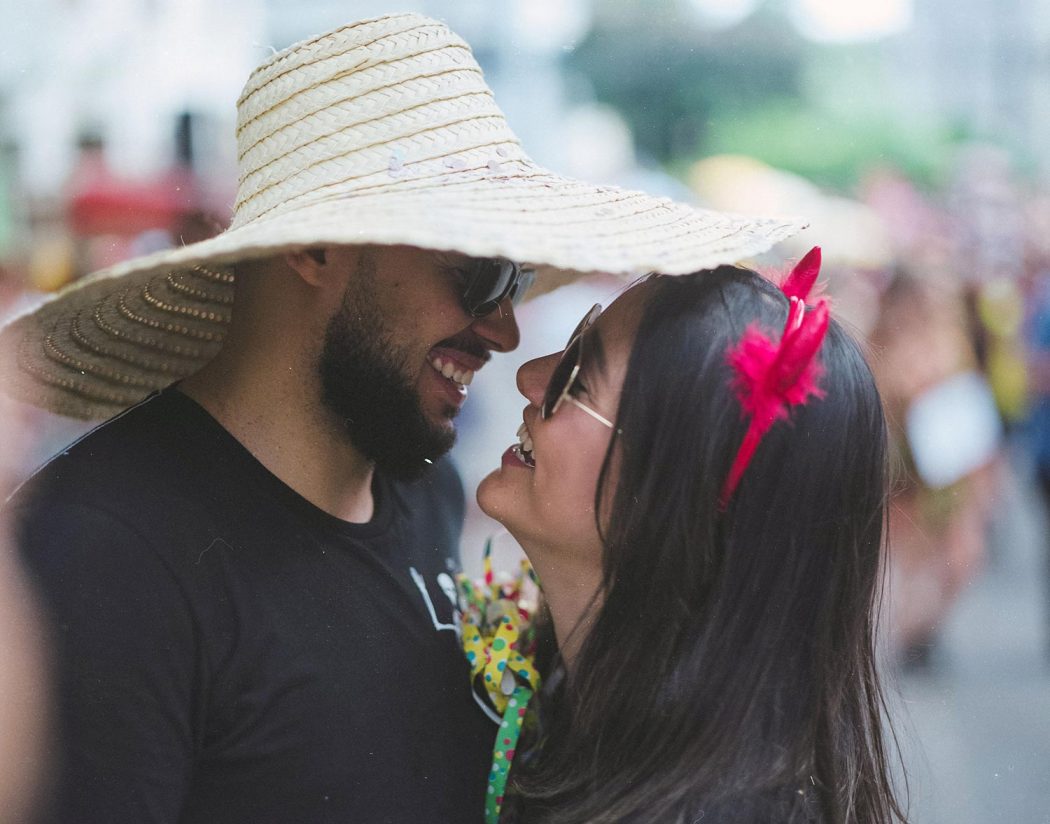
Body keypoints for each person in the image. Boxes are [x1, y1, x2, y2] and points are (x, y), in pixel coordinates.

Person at [0, 13, 802, 824]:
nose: (505, 331)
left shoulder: (424, 483)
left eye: (513, 281)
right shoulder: (101, 557)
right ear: (315, 246)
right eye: (478, 272)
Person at [478, 253, 907, 823]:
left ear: (678, 493)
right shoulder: (570, 712)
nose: (529, 376)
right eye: (575, 337)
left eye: (577, 375)